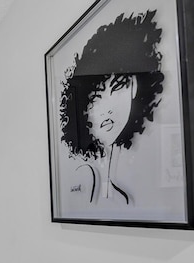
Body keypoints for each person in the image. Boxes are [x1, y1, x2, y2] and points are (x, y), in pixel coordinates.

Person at [59, 10, 164, 204]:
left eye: (118, 87)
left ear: (134, 87)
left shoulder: (137, 161)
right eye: (97, 96)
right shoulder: (81, 171)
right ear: (83, 104)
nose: (107, 109)